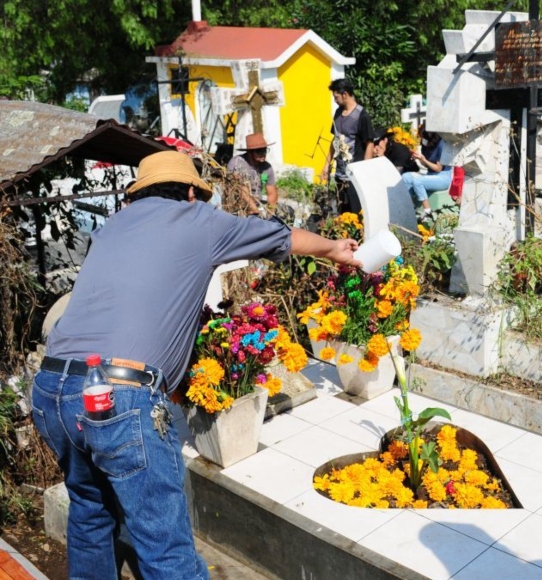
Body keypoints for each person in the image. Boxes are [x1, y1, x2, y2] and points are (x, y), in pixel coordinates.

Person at [30, 151, 361, 580]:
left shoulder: (112, 227)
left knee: (91, 513)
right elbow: (281, 237)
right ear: (190, 192)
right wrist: (334, 248)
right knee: (164, 547)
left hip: (52, 388)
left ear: (139, 192)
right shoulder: (197, 219)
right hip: (119, 396)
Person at [322, 78, 374, 215]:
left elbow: (369, 144)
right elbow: (335, 140)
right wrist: (326, 164)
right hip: (340, 174)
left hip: (355, 176)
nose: (335, 100)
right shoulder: (338, 113)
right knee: (341, 213)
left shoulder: (362, 115)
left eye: (336, 97)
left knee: (356, 214)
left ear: (344, 94)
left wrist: (365, 170)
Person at [403, 129, 452, 221]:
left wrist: (423, 159)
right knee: (406, 177)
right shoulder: (425, 145)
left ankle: (427, 212)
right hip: (430, 174)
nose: (421, 138)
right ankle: (410, 206)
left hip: (442, 176)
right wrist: (418, 158)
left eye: (423, 136)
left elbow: (438, 168)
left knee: (417, 181)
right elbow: (426, 165)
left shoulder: (441, 145)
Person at [226, 132, 277, 214]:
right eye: (259, 151)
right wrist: (256, 211)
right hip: (237, 207)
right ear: (250, 152)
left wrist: (271, 212)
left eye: (264, 150)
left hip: (257, 205)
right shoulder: (237, 162)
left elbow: (272, 192)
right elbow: (242, 190)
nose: (263, 154)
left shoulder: (267, 168)